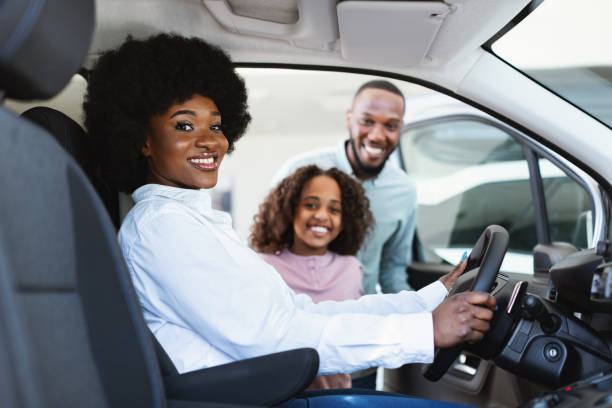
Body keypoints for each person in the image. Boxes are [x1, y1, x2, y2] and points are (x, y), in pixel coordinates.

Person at [84, 33, 496, 395]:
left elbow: (298, 314)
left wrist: (430, 299)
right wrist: (427, 331)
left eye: (216, 126)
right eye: (185, 127)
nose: (210, 142)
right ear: (141, 139)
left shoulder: (191, 219)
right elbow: (274, 337)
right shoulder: (163, 227)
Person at [271, 80, 416, 296]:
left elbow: (392, 272)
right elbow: (265, 244)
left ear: (400, 128)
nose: (377, 136)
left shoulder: (404, 191)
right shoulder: (299, 171)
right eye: (367, 121)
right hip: (298, 311)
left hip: (361, 317)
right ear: (349, 119)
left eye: (390, 125)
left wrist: (429, 312)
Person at [250, 165, 374, 389]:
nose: (321, 216)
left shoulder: (351, 269)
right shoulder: (263, 267)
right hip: (277, 398)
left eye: (334, 209)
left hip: (337, 399)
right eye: (311, 205)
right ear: (290, 210)